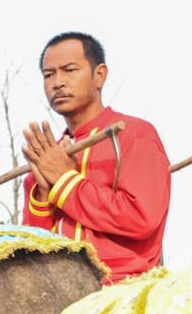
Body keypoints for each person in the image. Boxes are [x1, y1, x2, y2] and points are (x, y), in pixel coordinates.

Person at [19, 32, 171, 282]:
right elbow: (32, 251)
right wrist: (44, 195)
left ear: (99, 75)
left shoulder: (135, 135)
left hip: (124, 286)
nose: (58, 82)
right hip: (57, 289)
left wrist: (66, 181)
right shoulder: (48, 157)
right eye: (49, 75)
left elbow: (142, 218)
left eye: (69, 70)